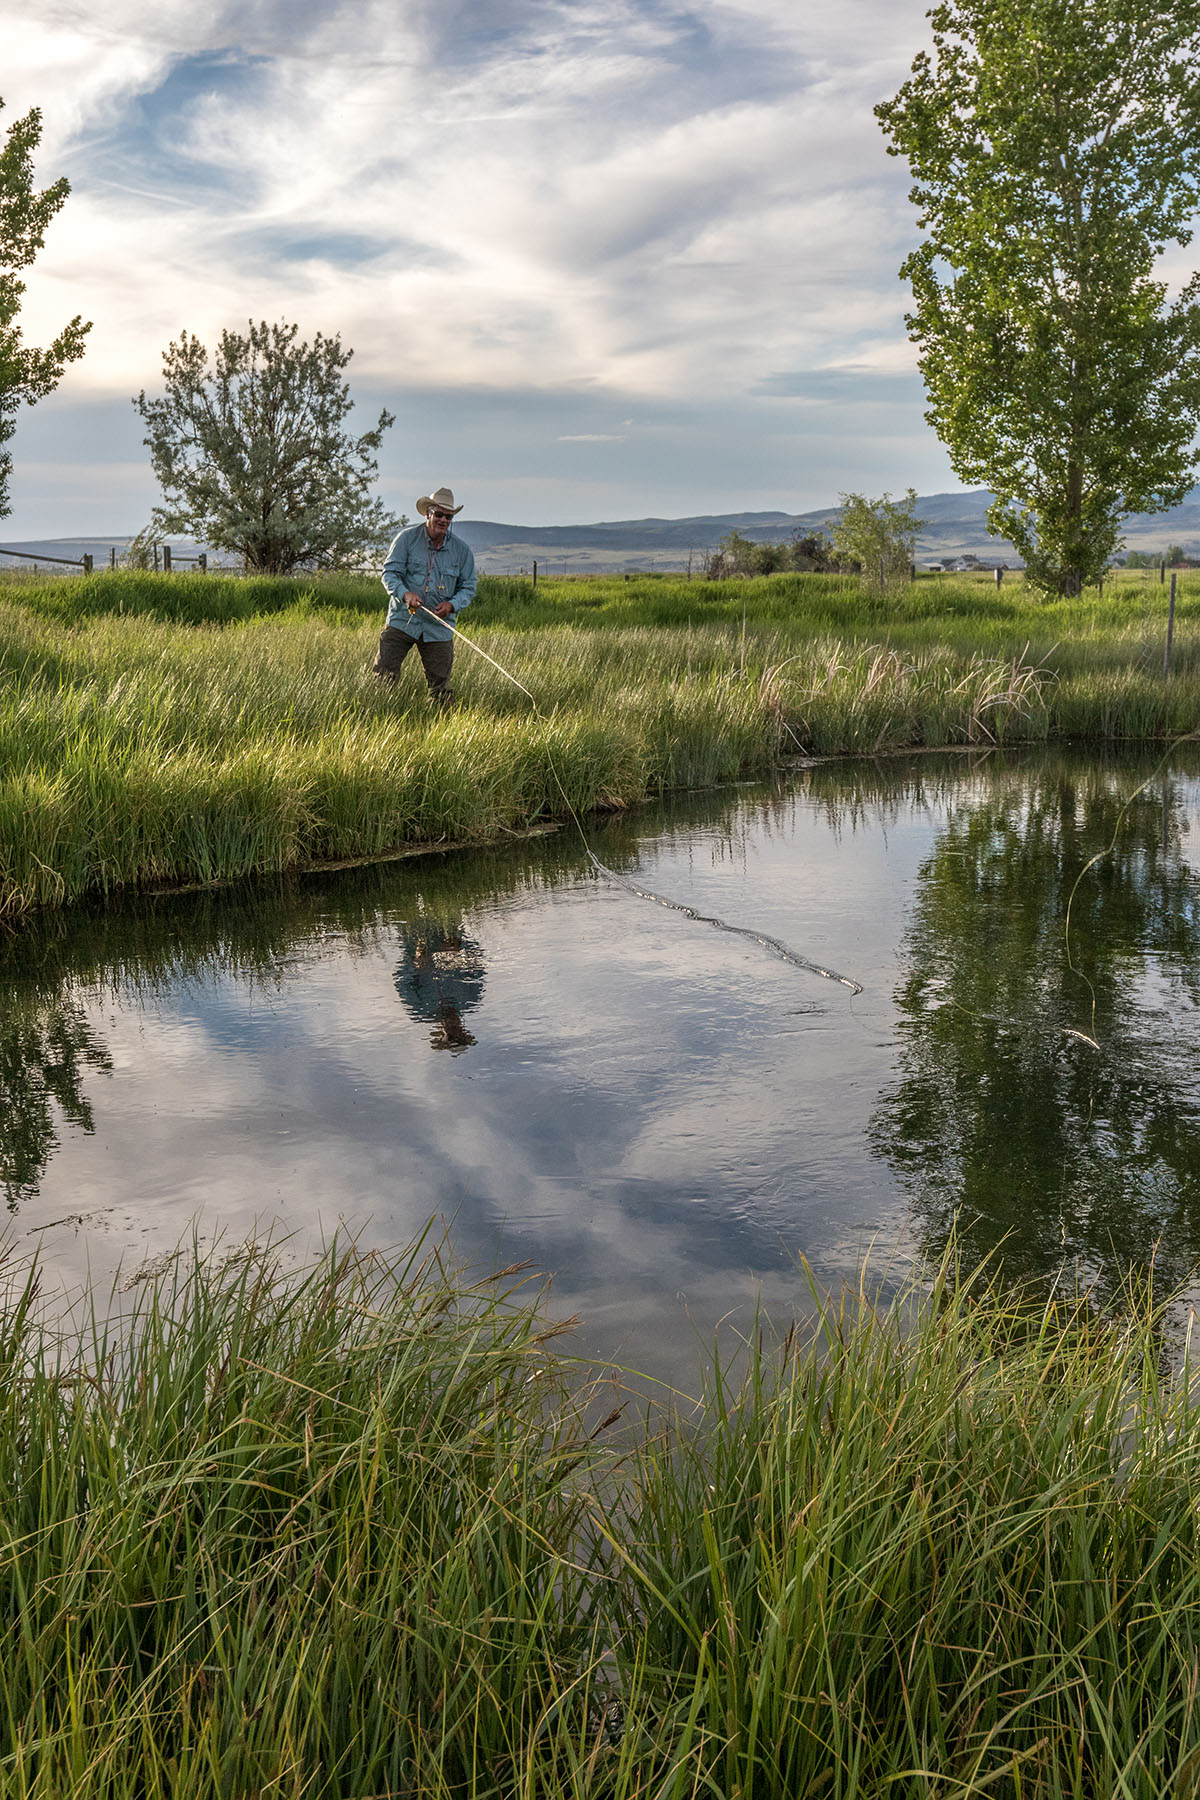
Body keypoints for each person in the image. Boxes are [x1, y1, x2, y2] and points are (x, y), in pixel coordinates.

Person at [373, 487, 477, 705]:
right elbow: (390, 574)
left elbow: (468, 586)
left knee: (441, 686)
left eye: (448, 516)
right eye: (439, 514)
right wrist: (405, 594)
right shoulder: (406, 539)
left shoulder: (462, 550)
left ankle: (443, 726)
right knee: (383, 676)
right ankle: (381, 713)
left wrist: (452, 604)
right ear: (427, 513)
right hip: (402, 619)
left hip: (439, 626)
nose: (443, 520)